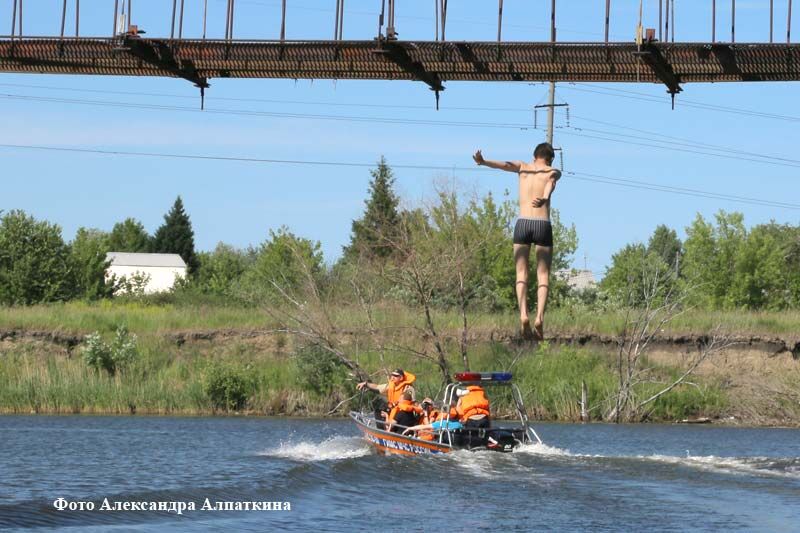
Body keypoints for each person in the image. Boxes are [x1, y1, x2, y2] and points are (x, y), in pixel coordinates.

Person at [473, 143, 562, 340]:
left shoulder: (523, 167)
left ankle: (523, 315)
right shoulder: (552, 171)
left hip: (522, 224)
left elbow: (504, 165)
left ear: (534, 156)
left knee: (521, 273)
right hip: (542, 224)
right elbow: (551, 184)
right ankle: (539, 317)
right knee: (543, 275)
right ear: (550, 159)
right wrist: (545, 198)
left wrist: (483, 161)